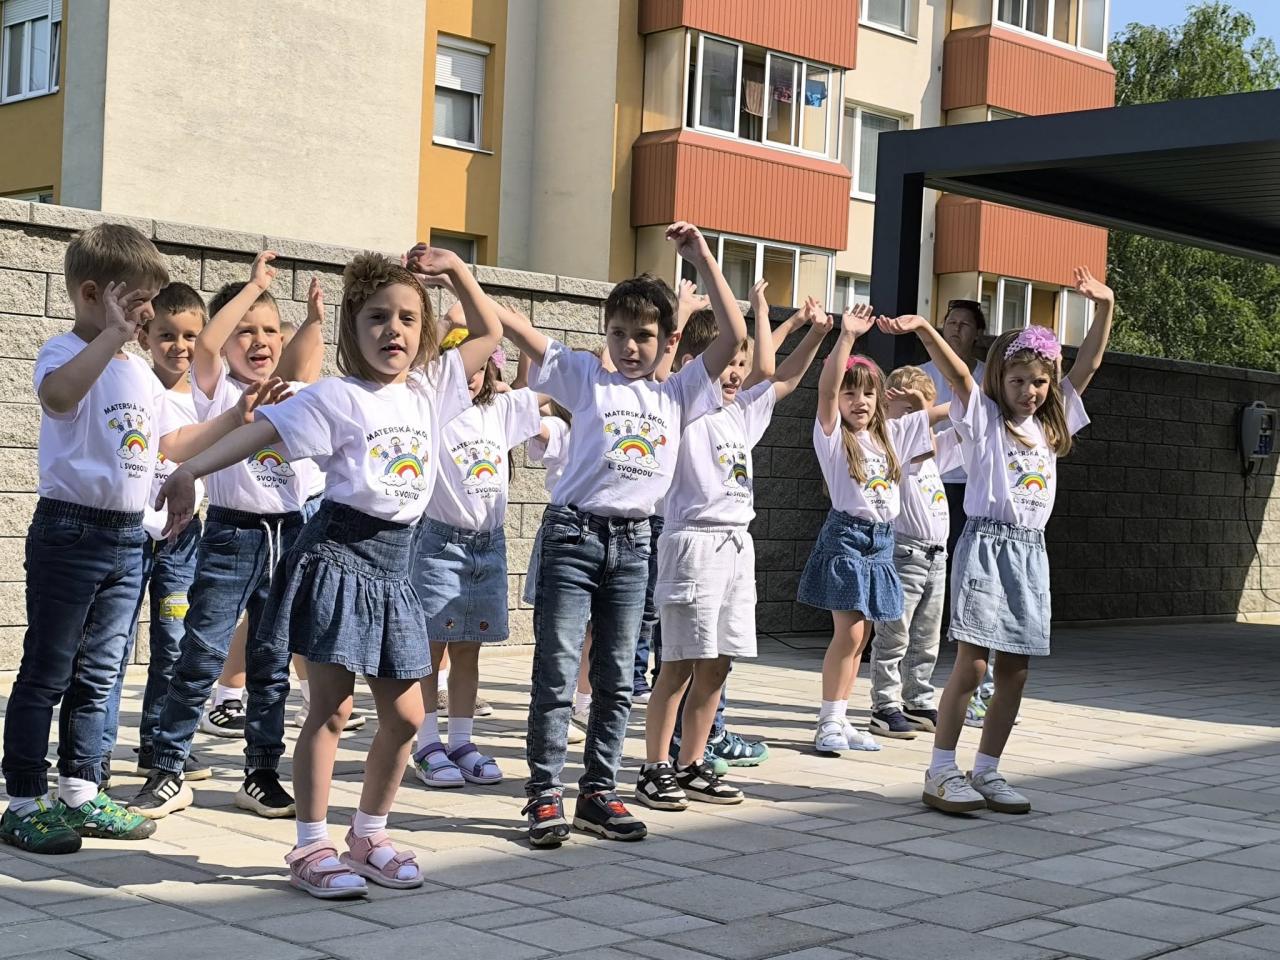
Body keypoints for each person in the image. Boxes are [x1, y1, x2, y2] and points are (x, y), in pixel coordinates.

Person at [155, 245, 500, 898]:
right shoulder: (338, 396)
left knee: (406, 716)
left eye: (406, 318)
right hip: (338, 556)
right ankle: (311, 845)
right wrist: (190, 470)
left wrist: (457, 271)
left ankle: (368, 836)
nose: (393, 330)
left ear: (424, 329)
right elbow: (260, 431)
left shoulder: (429, 389)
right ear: (352, 327)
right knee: (332, 709)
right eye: (377, 317)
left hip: (396, 568)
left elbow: (487, 331)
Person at [1, 224, 283, 854]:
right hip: (71, 530)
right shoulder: (64, 351)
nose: (148, 315)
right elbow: (57, 398)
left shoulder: (136, 372)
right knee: (48, 669)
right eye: (138, 303)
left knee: (101, 672)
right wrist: (109, 334)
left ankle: (80, 791)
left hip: (130, 537)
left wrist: (231, 420)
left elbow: (167, 443)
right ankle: (23, 798)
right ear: (92, 294)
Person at [500, 222, 746, 847]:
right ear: (605, 334)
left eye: (644, 335)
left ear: (667, 341)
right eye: (619, 333)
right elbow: (520, 329)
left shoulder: (681, 394)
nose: (630, 346)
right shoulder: (589, 378)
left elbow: (734, 334)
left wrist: (702, 256)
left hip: (635, 544)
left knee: (616, 677)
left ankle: (597, 794)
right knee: (558, 671)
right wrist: (457, 275)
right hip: (573, 536)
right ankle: (543, 796)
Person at [884, 267, 1114, 814]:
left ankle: (986, 769)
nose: (1029, 392)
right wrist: (926, 330)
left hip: (1031, 552)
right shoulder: (984, 417)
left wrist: (1104, 306)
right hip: (986, 546)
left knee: (1016, 668)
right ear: (999, 380)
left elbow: (1088, 364)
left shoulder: (1052, 423)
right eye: (1017, 381)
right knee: (974, 664)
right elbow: (957, 374)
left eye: (1039, 382)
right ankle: (941, 770)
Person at [128, 252, 323, 820]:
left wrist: (313, 321)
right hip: (232, 536)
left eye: (270, 330)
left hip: (289, 534)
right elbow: (209, 343)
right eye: (246, 331)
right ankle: (168, 769)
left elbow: (306, 357)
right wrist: (255, 286)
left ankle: (260, 773)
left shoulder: (295, 390)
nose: (259, 341)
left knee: (272, 663)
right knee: (200, 654)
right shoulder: (217, 389)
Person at [636, 293, 829, 809]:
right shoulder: (682, 408)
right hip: (693, 543)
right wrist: (680, 312)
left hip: (737, 547)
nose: (737, 373)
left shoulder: (740, 413)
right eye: (728, 363)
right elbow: (661, 372)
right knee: (680, 664)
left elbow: (785, 380)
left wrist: (817, 333)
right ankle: (655, 768)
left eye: (741, 364)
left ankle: (692, 763)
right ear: (694, 365)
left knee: (718, 665)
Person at [798, 305, 943, 754]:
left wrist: (927, 397)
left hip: (881, 543)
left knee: (861, 637)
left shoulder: (889, 436)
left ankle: (840, 718)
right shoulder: (833, 436)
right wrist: (846, 337)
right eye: (850, 393)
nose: (858, 401)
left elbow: (949, 410)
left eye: (867, 393)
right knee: (850, 633)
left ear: (881, 398)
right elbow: (825, 392)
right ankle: (828, 722)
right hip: (847, 537)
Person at [410, 313, 542, 788]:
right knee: (431, 647)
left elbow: (548, 387)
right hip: (440, 544)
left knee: (469, 648)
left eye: (480, 366)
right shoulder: (431, 409)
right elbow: (420, 370)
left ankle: (461, 740)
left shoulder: (499, 411)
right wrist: (446, 321)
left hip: (489, 547)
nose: (470, 375)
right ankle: (426, 743)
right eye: (462, 365)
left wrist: (522, 337)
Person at [101, 282, 214, 788]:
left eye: (191, 335)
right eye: (166, 334)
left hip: (182, 539)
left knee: (173, 642)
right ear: (144, 336)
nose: (179, 346)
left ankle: (156, 745)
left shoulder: (207, 397)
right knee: (113, 646)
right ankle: (95, 755)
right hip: (128, 533)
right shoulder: (133, 383)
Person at [867, 366, 959, 740]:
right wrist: (920, 408)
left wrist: (931, 404)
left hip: (936, 556)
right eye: (905, 411)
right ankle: (884, 705)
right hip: (905, 553)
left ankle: (917, 699)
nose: (915, 420)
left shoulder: (933, 450)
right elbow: (920, 440)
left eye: (919, 411)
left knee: (926, 636)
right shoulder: (891, 443)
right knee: (894, 633)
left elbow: (964, 423)